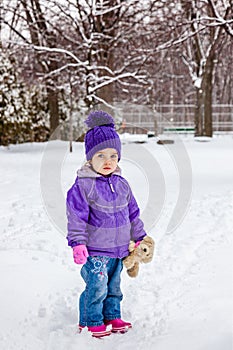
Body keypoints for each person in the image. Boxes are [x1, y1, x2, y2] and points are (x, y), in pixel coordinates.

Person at [66, 110, 147, 338]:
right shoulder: (83, 186)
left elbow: (133, 213)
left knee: (114, 288)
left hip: (119, 250)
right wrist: (77, 243)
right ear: (89, 157)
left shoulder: (122, 184)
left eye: (113, 155)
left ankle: (112, 315)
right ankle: (90, 319)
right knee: (96, 287)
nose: (108, 161)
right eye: (101, 155)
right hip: (96, 251)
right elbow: (76, 217)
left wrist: (139, 237)